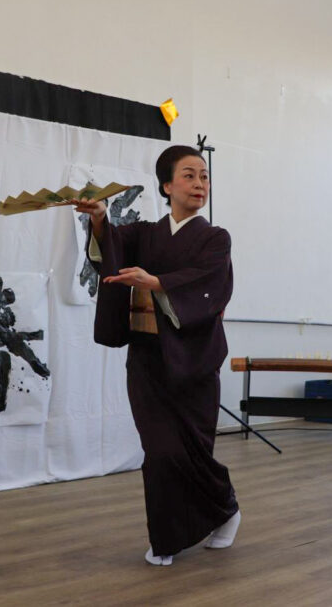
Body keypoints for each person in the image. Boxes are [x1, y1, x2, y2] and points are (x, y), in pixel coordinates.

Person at [72, 145, 240, 567]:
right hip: (147, 358)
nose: (199, 183)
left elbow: (207, 282)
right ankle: (166, 538)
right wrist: (96, 217)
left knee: (194, 450)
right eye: (189, 175)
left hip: (194, 361)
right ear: (166, 185)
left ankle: (226, 508)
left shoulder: (215, 239)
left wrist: (158, 281)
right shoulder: (145, 234)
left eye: (203, 176)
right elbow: (109, 245)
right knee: (160, 450)